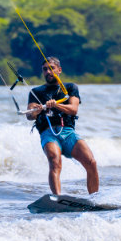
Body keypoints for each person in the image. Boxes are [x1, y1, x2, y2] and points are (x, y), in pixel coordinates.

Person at [25, 56, 100, 196]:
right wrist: (36, 110)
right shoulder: (36, 92)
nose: (48, 71)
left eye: (51, 68)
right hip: (48, 133)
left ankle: (95, 199)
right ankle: (57, 199)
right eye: (45, 69)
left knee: (91, 162)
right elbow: (29, 116)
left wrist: (56, 105)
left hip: (68, 132)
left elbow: (73, 109)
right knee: (55, 162)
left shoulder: (70, 88)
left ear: (59, 70)